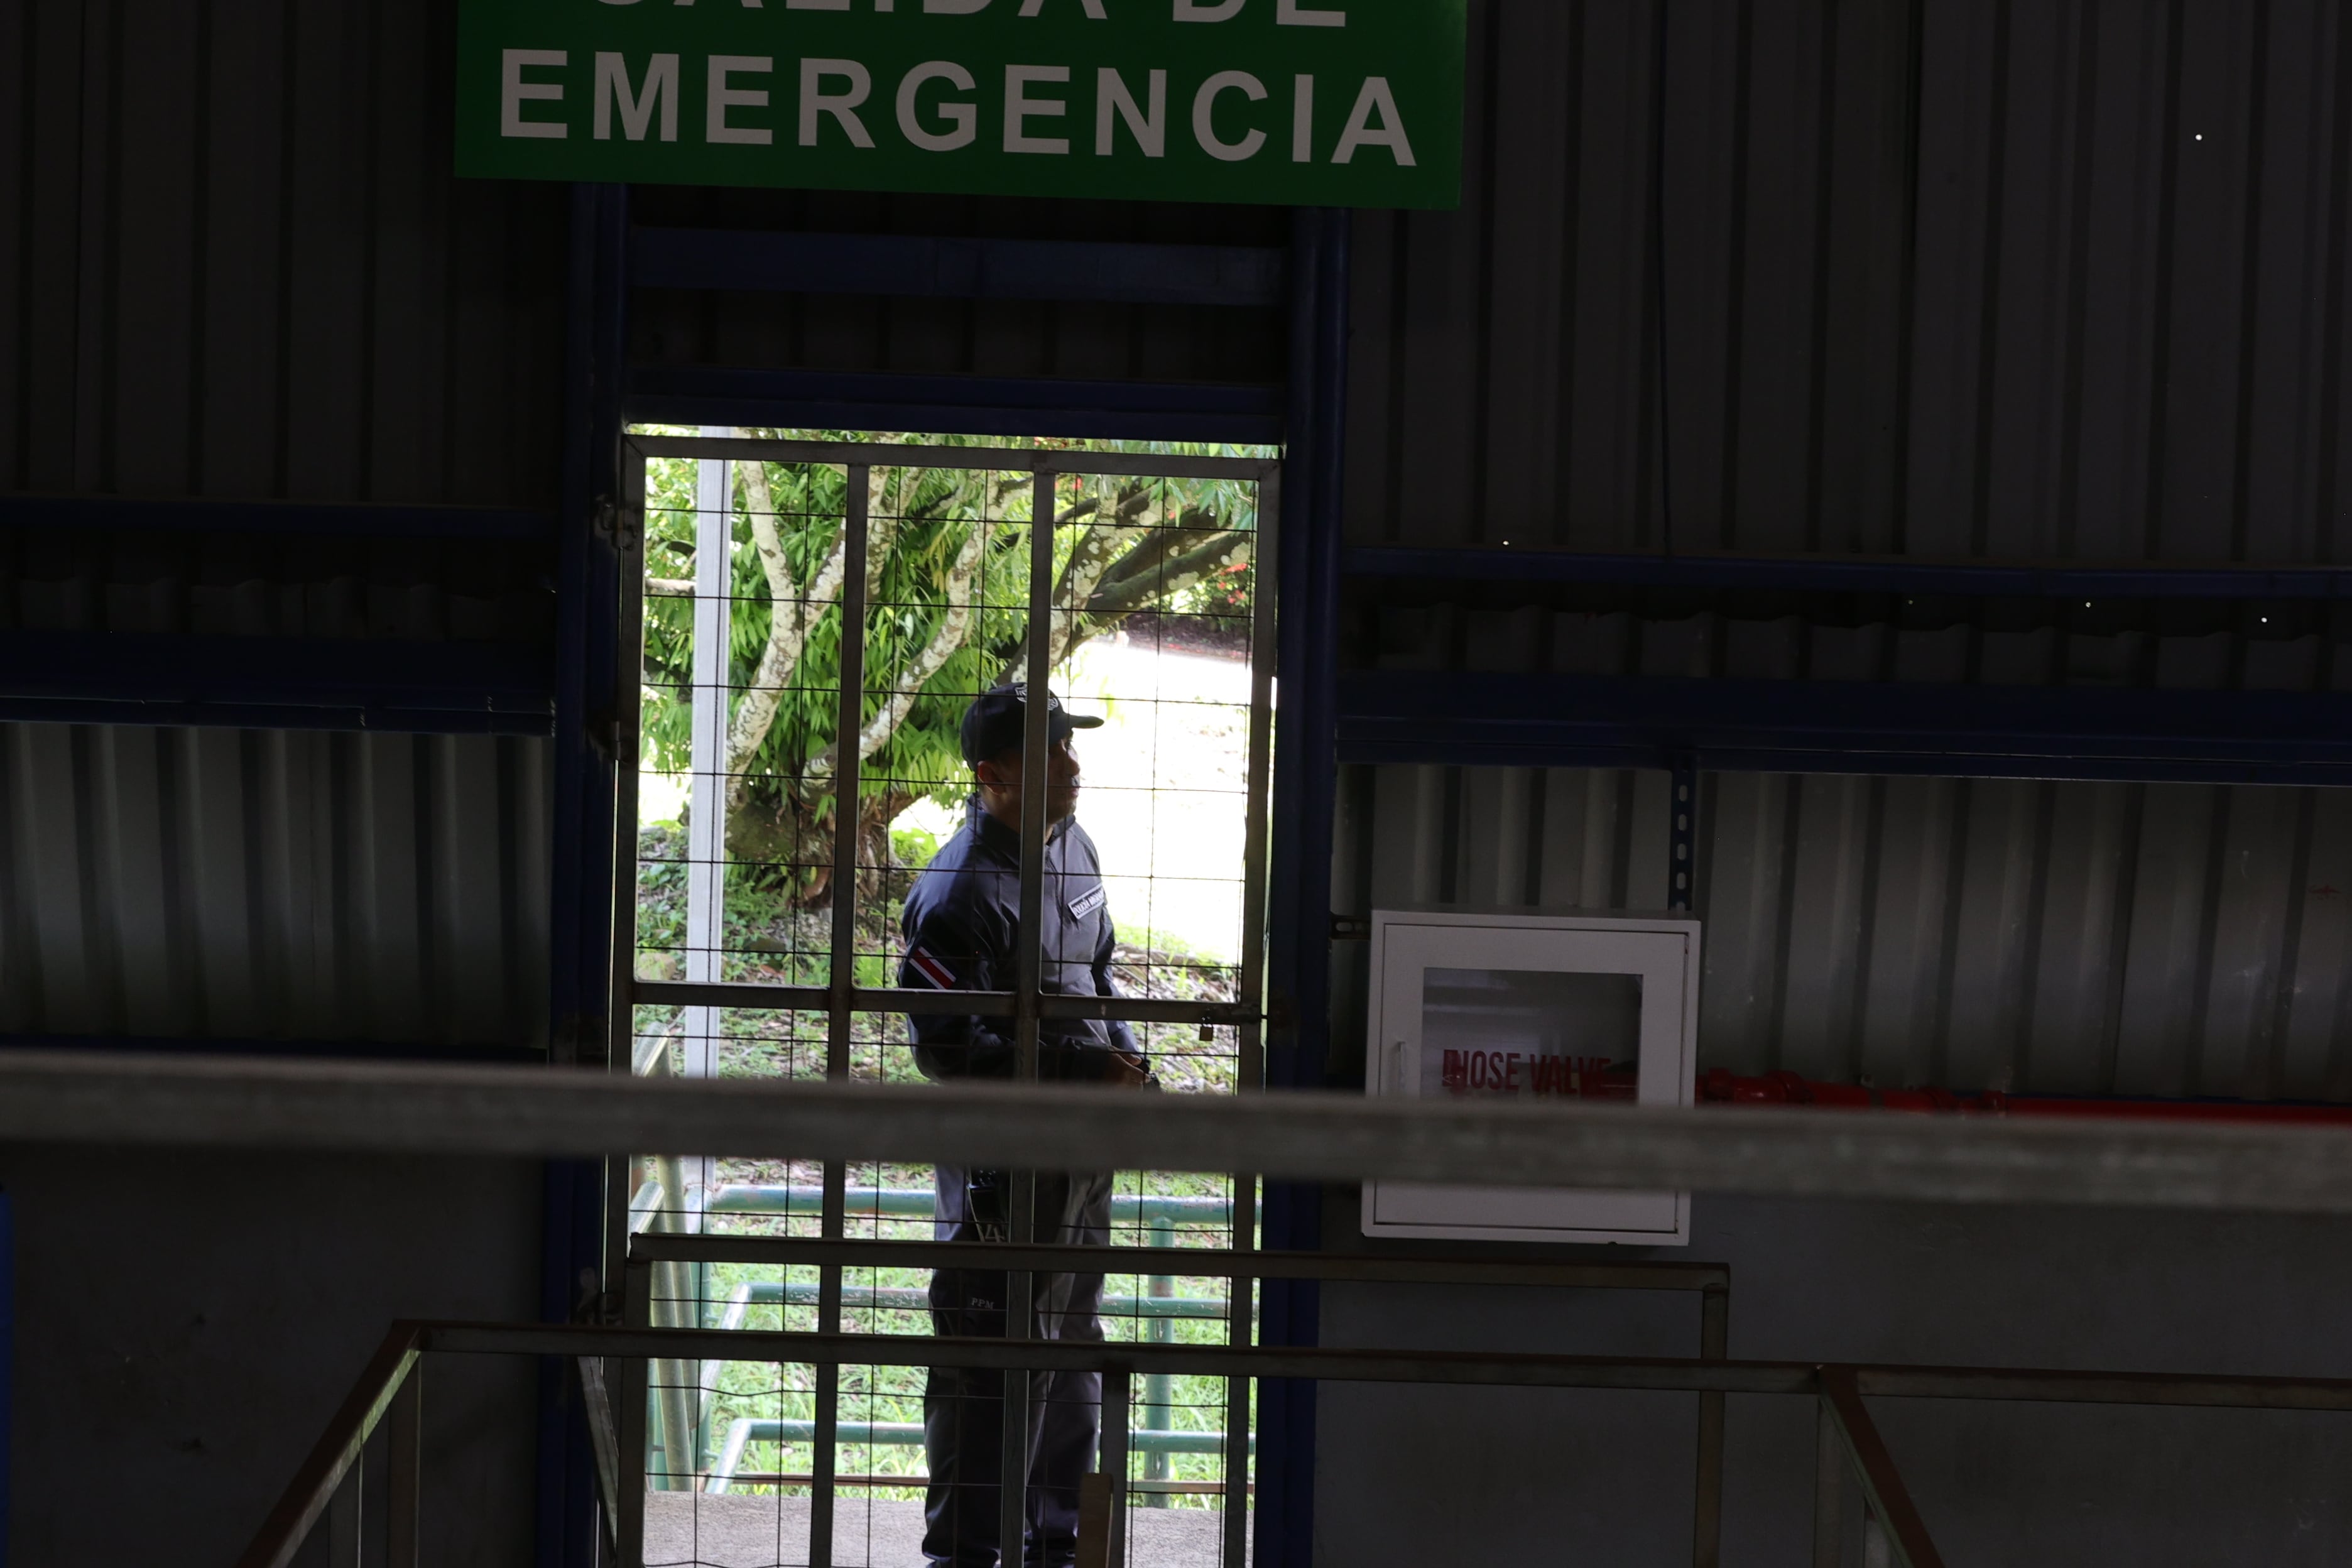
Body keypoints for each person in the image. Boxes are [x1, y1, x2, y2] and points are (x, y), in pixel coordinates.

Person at [899, 683, 1153, 1568]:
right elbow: (946, 1044)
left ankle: (1051, 1542)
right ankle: (969, 1554)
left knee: (1070, 1340)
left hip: (1080, 1162)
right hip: (1001, 1177)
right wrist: (1086, 1069)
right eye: (1051, 751)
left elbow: (1101, 972)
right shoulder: (960, 890)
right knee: (992, 1356)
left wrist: (1128, 1064)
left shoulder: (1073, 847)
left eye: (1069, 746)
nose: (1073, 765)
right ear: (993, 775)